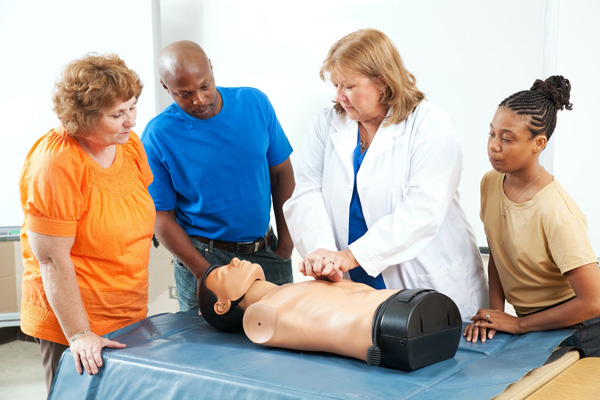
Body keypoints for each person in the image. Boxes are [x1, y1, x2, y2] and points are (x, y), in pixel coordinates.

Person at [282, 28, 487, 318]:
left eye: (349, 86)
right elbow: (307, 192)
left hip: (425, 279)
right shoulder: (329, 124)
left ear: (382, 81)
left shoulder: (429, 125)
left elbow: (421, 212)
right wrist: (322, 254)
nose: (339, 96)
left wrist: (349, 257)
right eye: (336, 85)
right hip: (353, 284)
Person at [18, 53, 155, 392]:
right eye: (117, 114)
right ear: (84, 117)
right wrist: (79, 334)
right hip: (74, 321)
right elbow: (50, 259)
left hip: (127, 311)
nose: (131, 122)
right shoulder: (57, 161)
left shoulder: (129, 145)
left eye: (132, 107)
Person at [141, 40, 295, 312]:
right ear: (166, 88)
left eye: (204, 86)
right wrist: (203, 272)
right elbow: (161, 216)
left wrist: (286, 245)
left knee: (283, 342)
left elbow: (282, 174)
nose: (199, 100)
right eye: (184, 94)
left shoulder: (254, 103)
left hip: (268, 251)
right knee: (204, 351)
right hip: (202, 258)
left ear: (211, 68)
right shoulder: (158, 135)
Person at [463, 75, 600, 356]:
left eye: (507, 138)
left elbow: (593, 301)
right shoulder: (490, 182)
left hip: (582, 324)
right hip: (533, 320)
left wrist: (519, 324)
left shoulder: (555, 209)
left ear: (538, 143)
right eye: (492, 134)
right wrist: (494, 314)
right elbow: (498, 256)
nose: (494, 146)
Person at [199, 258, 461, 370]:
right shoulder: (259, 319)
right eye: (224, 272)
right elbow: (324, 331)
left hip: (406, 306)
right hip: (393, 328)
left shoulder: (287, 292)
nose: (233, 261)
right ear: (222, 305)